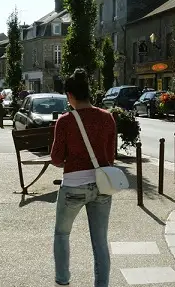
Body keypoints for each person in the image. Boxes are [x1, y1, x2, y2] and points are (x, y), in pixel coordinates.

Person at [50, 68, 116, 287]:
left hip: (73, 186)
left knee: (62, 233)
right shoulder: (107, 118)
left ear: (70, 95)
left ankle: (63, 281)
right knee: (100, 241)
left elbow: (57, 158)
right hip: (103, 185)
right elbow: (111, 156)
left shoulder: (65, 121)